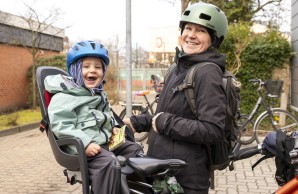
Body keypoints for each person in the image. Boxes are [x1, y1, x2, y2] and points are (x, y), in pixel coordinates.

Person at [124, 2, 228, 194]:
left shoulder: (207, 73)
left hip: (186, 178)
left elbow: (212, 130)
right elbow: (164, 115)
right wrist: (135, 122)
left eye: (200, 31)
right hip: (162, 172)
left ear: (213, 39)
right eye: (188, 28)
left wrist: (164, 121)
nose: (191, 35)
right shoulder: (177, 69)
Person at [44, 40, 143, 194]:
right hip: (82, 148)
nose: (93, 70)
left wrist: (115, 128)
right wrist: (85, 144)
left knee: (134, 148)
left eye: (98, 67)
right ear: (76, 69)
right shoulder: (65, 97)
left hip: (104, 143)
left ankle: (133, 188)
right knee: (109, 163)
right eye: (86, 66)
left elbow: (107, 116)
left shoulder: (98, 94)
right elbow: (62, 125)